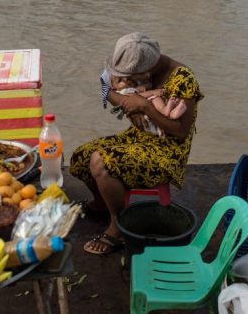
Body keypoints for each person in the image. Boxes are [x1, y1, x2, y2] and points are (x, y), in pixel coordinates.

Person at [70, 32, 204, 255]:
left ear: (146, 71)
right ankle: (103, 202)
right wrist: (125, 100)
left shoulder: (183, 79)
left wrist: (146, 107)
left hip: (166, 150)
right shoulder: (128, 62)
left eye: (131, 77)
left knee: (101, 162)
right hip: (137, 137)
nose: (126, 81)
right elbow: (107, 87)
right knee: (81, 156)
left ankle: (118, 226)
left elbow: (181, 132)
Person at [104, 72, 187, 137]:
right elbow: (137, 98)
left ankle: (173, 113)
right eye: (120, 81)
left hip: (149, 111)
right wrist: (153, 92)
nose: (125, 79)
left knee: (159, 104)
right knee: (155, 99)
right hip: (146, 114)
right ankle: (166, 110)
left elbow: (146, 86)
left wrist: (143, 86)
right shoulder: (122, 92)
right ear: (113, 88)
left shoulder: (130, 88)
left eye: (124, 77)